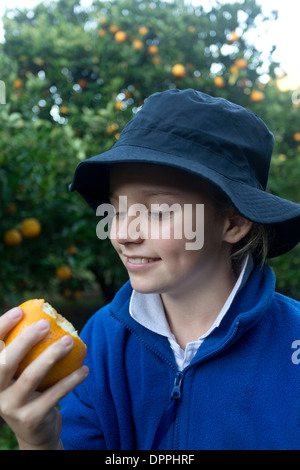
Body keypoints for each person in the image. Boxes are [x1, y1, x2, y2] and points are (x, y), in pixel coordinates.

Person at [1, 88, 300, 450]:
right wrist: (39, 442)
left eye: (158, 211)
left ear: (234, 223)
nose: (122, 234)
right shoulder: (102, 340)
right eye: (117, 210)